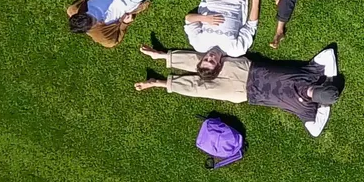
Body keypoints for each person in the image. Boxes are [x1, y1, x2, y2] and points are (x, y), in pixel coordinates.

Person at [135, 45, 342, 137]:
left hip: (244, 87)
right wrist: (323, 105)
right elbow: (315, 131)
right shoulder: (305, 109)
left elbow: (328, 55)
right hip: (248, 79)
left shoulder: (310, 74)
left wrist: (330, 81)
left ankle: (161, 74)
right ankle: (162, 66)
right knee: (205, 69)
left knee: (203, 82)